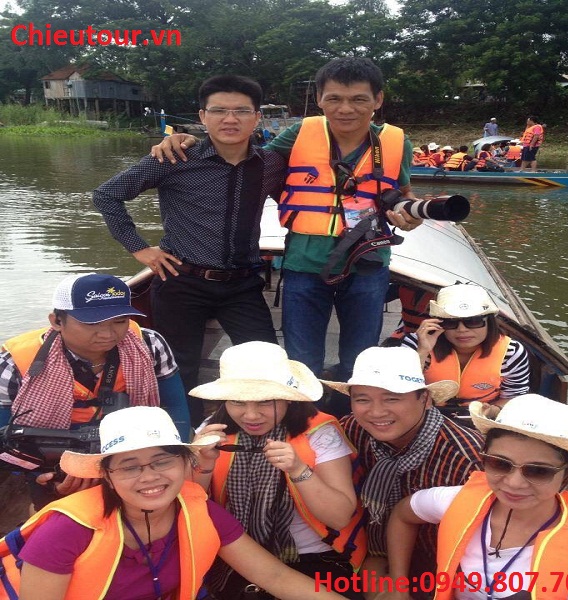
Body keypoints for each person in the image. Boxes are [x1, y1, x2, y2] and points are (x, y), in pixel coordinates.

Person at [150, 58, 421, 396]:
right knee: (301, 359)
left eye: (358, 99)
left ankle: (353, 417)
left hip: (368, 265)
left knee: (361, 356)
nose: (345, 109)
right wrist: (187, 141)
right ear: (319, 99)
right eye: (334, 98)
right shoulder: (300, 134)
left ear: (377, 100)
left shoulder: (396, 143)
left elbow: (404, 194)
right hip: (304, 265)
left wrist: (411, 215)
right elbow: (246, 160)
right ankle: (305, 418)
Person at [93, 75, 287, 427]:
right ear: (202, 116)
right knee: (179, 367)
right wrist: (140, 249)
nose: (230, 119)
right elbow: (107, 195)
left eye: (241, 111)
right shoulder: (174, 158)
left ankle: (256, 431)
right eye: (219, 111)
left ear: (257, 117)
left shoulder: (271, 164)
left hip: (242, 284)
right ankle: (186, 437)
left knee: (266, 359)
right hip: (182, 280)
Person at [0, 406, 349, 600]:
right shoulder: (68, 529)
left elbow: (276, 576)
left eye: (162, 461)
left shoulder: (201, 511)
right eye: (130, 466)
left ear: (186, 464)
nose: (149, 477)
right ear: (107, 475)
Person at [188, 341, 366, 599]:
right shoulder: (212, 430)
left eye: (265, 402)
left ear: (288, 399)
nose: (251, 415)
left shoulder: (320, 432)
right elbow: (189, 507)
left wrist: (298, 469)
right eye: (237, 402)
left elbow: (339, 517)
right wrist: (203, 464)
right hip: (238, 555)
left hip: (313, 557)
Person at [0, 273, 190, 509]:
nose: (108, 334)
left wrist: (175, 459)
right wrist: (40, 476)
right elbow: (6, 437)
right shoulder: (15, 363)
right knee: (51, 509)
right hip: (53, 458)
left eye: (119, 321)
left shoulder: (149, 344)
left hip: (132, 451)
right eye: (92, 323)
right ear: (57, 321)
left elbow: (174, 406)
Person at [384, 394, 568, 600]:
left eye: (538, 471)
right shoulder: (458, 501)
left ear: (567, 473)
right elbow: (403, 514)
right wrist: (397, 585)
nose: (514, 483)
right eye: (500, 464)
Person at [323, 346, 483, 595]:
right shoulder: (351, 429)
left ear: (425, 399)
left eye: (392, 398)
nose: (376, 412)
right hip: (367, 551)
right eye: (362, 399)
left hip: (442, 570)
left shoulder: (467, 458)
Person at [401, 283, 529, 413]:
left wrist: (492, 411)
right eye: (450, 322)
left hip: (481, 416)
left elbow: (514, 396)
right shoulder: (417, 343)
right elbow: (399, 388)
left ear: (489, 322)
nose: (462, 330)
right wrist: (422, 352)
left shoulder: (511, 352)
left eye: (473, 321)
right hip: (424, 412)